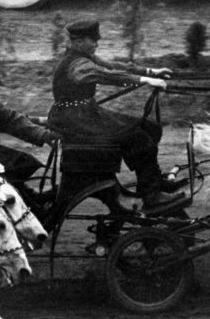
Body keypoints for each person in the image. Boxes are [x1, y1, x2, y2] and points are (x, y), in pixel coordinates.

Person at [46, 20, 185, 212]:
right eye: (92, 39)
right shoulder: (78, 64)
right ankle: (151, 196)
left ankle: (154, 182)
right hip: (75, 120)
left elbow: (113, 67)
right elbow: (108, 76)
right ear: (78, 41)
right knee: (139, 138)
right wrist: (146, 80)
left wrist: (150, 72)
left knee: (151, 128)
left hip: (85, 113)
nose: (97, 43)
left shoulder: (83, 56)